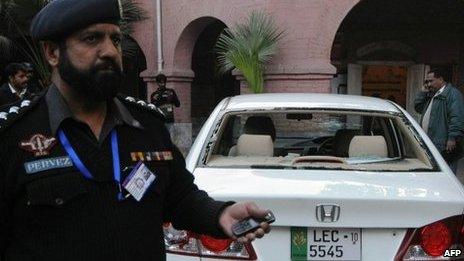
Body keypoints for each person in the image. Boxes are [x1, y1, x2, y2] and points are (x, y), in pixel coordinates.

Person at [0, 0, 271, 260]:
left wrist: (221, 214)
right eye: (92, 39)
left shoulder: (146, 125)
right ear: (52, 53)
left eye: (115, 39)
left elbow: (180, 197)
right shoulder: (13, 135)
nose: (110, 51)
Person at [414, 67, 464, 173]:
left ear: (440, 79)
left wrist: (452, 138)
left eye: (430, 81)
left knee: (446, 173)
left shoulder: (452, 94)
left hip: (444, 144)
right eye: (426, 81)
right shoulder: (432, 94)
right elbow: (418, 107)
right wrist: (423, 93)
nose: (428, 84)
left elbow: (457, 117)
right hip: (430, 142)